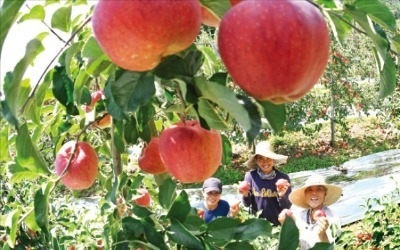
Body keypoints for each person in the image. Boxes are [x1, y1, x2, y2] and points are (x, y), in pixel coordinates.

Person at [280, 174, 342, 249]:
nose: (314, 193)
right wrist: (287, 224)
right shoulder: (299, 216)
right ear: (305, 195)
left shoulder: (332, 218)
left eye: (319, 189)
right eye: (309, 190)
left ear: (324, 194)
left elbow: (331, 247)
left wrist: (323, 235)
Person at [238, 141, 292, 226]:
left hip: (277, 226)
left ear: (273, 159)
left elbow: (287, 207)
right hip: (257, 226)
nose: (265, 162)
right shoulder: (250, 177)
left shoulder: (283, 179)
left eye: (268, 158)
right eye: (261, 158)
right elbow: (247, 204)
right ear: (256, 160)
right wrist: (245, 195)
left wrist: (281, 196)